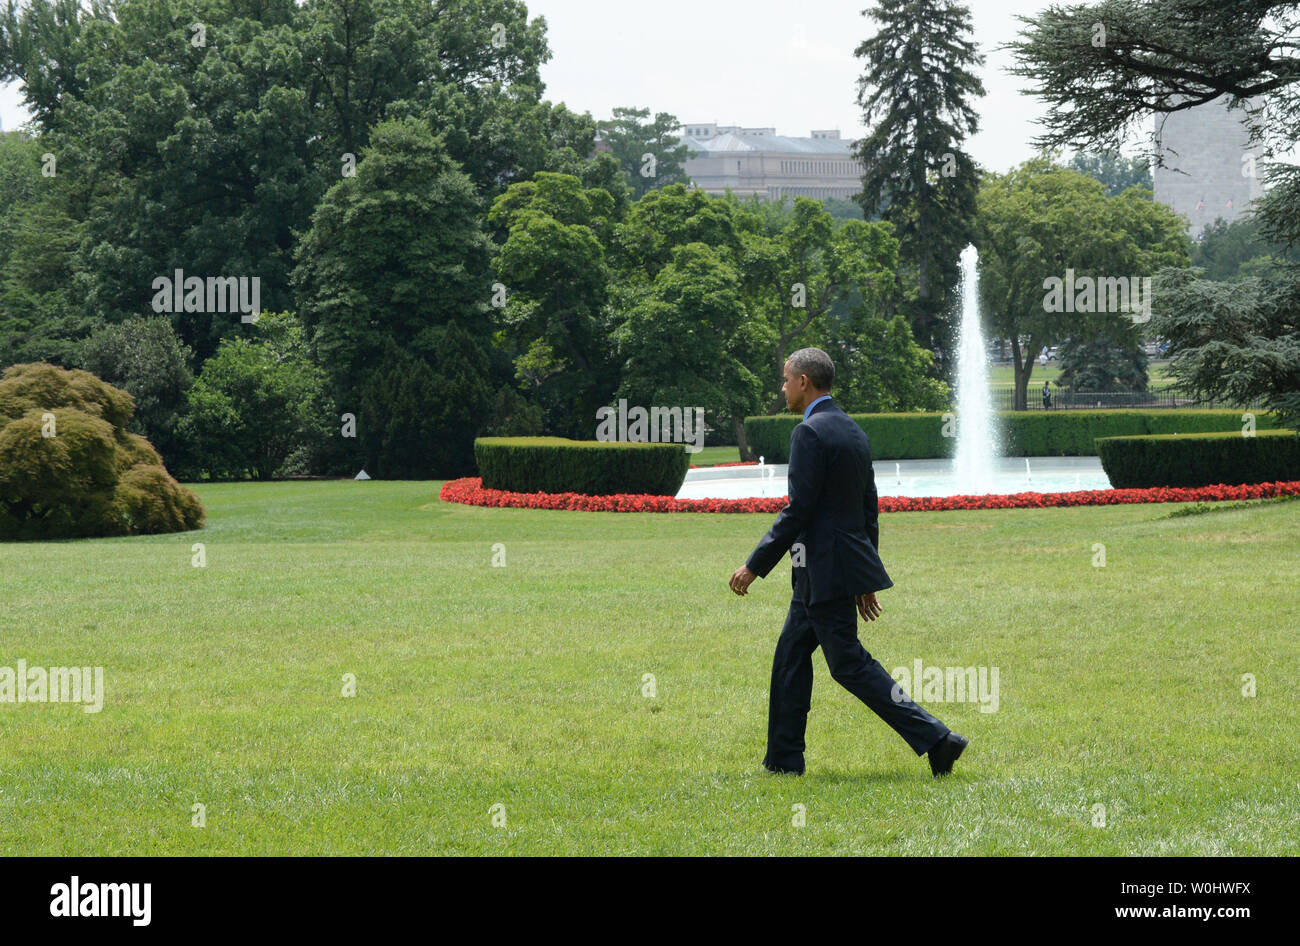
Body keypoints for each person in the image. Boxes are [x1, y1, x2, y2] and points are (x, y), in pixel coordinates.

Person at [729, 348, 967, 778]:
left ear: (804, 382)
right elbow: (867, 511)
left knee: (849, 665)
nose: (783, 388)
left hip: (823, 573)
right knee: (790, 660)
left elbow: (797, 511)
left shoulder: (809, 433)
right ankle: (783, 761)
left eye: (786, 380)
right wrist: (863, 575)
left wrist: (754, 565)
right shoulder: (853, 430)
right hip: (823, 575)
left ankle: (938, 739)